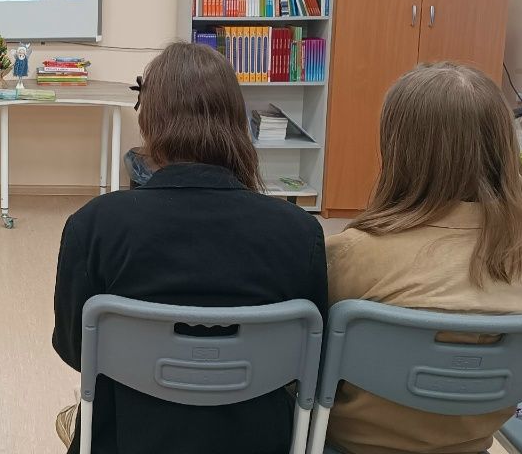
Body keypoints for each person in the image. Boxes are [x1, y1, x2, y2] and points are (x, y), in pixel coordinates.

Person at [52, 42, 327, 454]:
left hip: (126, 437)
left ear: (149, 120)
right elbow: (310, 363)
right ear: (236, 121)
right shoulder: (300, 234)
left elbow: (76, 351)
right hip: (258, 440)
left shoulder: (93, 226)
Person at [324, 62, 522, 454]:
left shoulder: (350, 254)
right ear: (504, 145)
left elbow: (310, 366)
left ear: (398, 150)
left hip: (350, 443)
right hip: (474, 443)